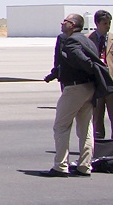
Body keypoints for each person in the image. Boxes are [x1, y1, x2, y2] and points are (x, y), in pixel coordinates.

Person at [43, 13, 106, 177]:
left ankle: (60, 166)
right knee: (85, 128)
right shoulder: (88, 40)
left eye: (66, 21)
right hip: (89, 88)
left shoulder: (71, 41)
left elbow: (82, 60)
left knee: (61, 126)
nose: (62, 23)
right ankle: (85, 166)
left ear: (74, 25)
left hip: (75, 89)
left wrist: (88, 67)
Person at [89, 10, 111, 141]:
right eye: (105, 23)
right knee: (97, 114)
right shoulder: (88, 39)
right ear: (97, 23)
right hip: (97, 83)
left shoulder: (112, 38)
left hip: (111, 83)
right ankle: (99, 142)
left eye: (109, 23)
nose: (107, 26)